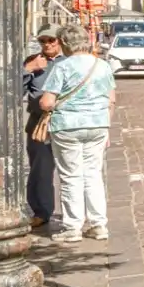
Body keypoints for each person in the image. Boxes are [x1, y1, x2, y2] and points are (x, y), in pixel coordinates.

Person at [39, 25, 116, 243]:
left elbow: (47, 101)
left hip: (67, 126)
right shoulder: (102, 65)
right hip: (98, 124)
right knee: (93, 174)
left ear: (64, 43)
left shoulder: (63, 66)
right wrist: (106, 127)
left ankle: (73, 227)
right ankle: (98, 224)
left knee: (70, 175)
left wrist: (44, 105)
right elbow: (111, 99)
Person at [24, 26, 63, 229]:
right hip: (39, 125)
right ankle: (41, 211)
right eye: (43, 41)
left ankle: (76, 215)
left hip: (65, 123)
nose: (47, 44)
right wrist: (28, 70)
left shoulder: (69, 62)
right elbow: (15, 90)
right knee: (40, 170)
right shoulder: (33, 62)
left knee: (72, 171)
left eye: (51, 40)